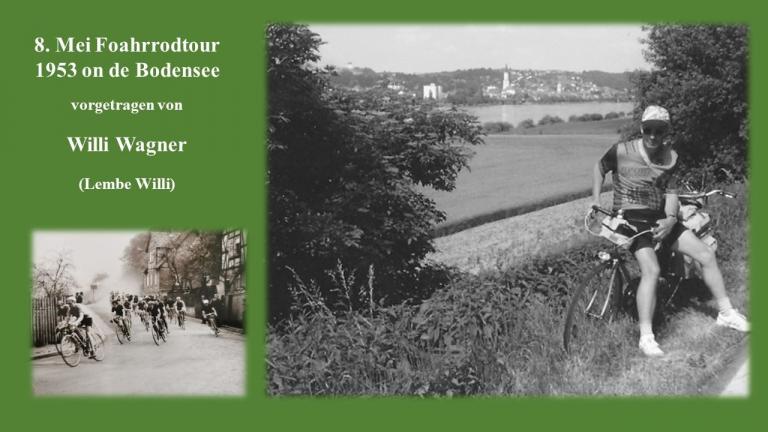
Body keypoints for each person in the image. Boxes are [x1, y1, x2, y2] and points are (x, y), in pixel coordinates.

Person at [591, 105, 749, 357]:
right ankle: (646, 337)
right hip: (630, 218)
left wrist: (670, 219)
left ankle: (726, 313)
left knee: (706, 255)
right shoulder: (621, 151)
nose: (653, 135)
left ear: (667, 131)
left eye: (659, 130)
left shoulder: (670, 157)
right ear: (642, 129)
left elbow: (671, 192)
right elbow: (599, 168)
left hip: (660, 217)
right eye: (648, 129)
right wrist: (596, 199)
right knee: (651, 269)